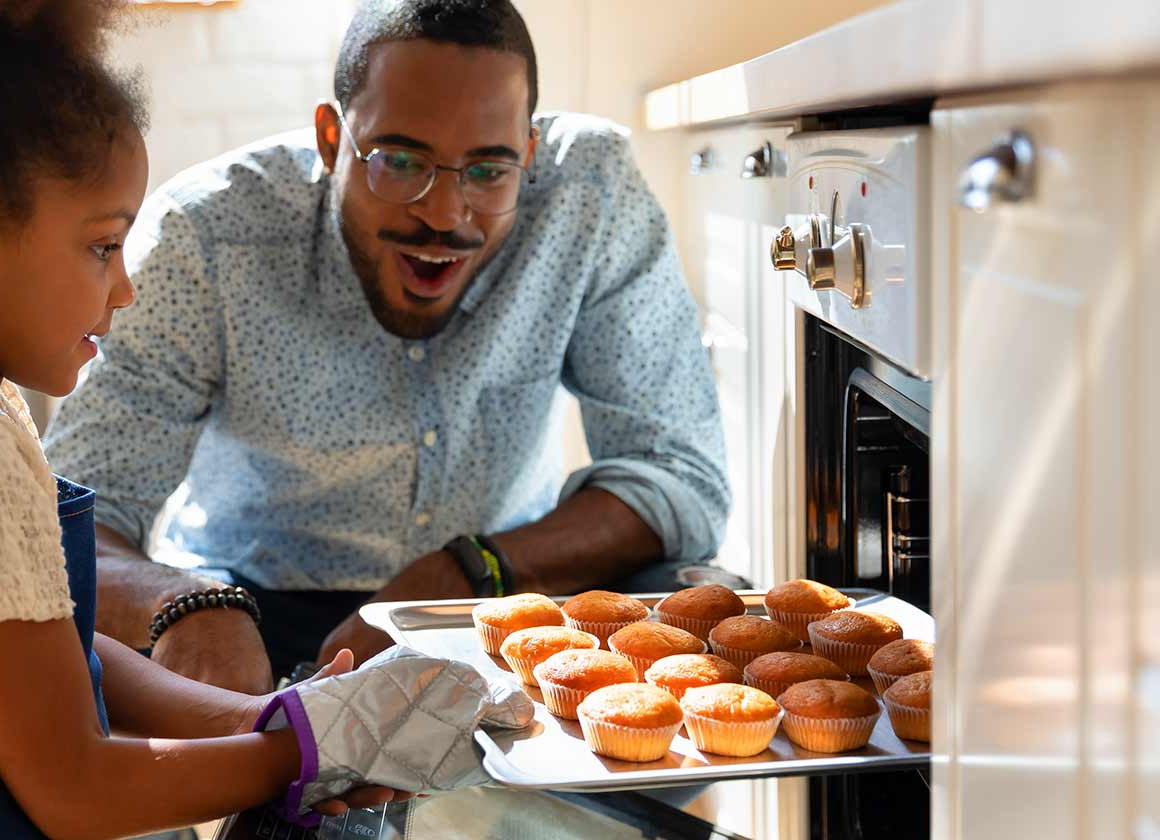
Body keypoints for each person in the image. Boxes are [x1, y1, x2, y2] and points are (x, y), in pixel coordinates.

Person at [0, 2, 525, 837]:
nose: (123, 288)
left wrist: (258, 723)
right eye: (101, 246)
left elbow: (55, 650)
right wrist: (311, 749)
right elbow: (75, 788)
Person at [44, 0, 731, 693]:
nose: (443, 215)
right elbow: (66, 521)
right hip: (251, 606)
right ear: (330, 138)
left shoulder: (591, 191)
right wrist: (183, 607)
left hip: (500, 590)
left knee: (697, 618)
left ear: (529, 151)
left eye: (489, 170)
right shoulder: (206, 234)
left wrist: (461, 571)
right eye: (400, 162)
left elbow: (679, 476)